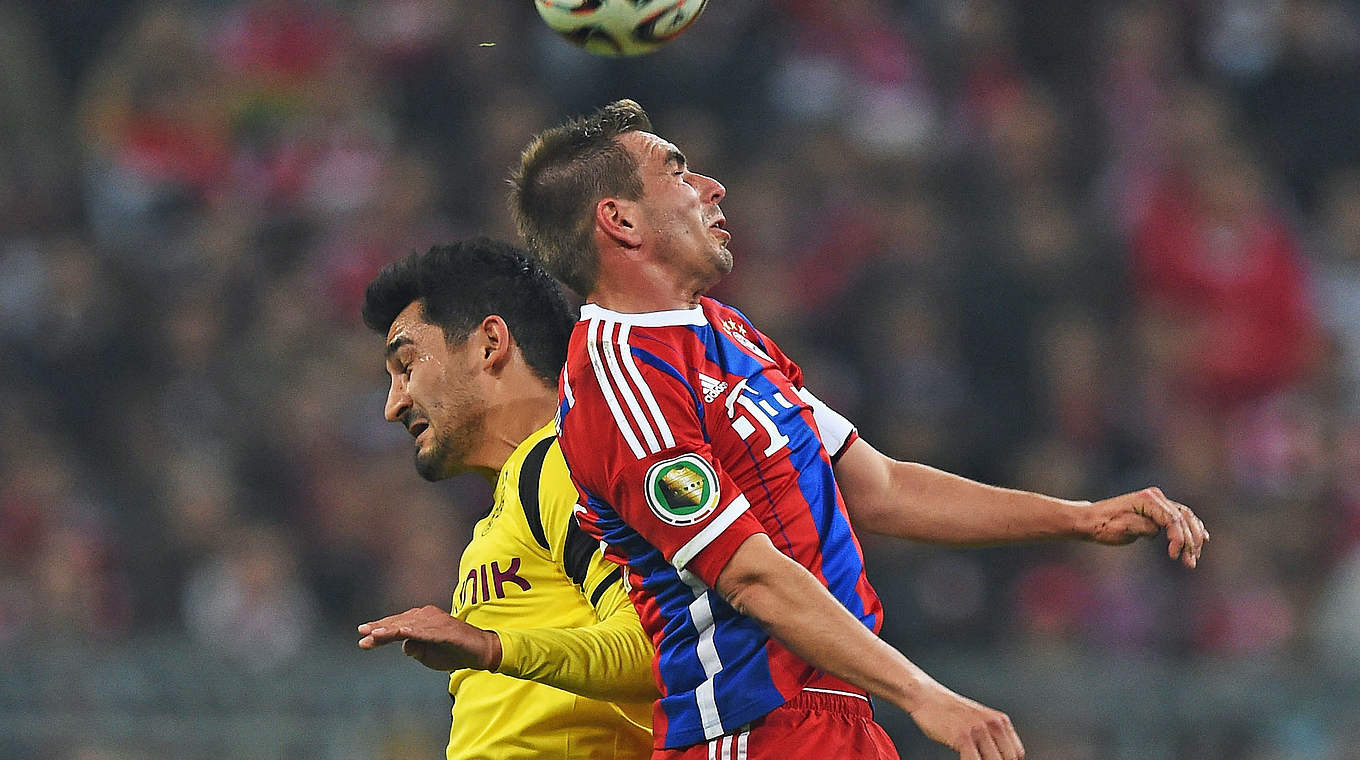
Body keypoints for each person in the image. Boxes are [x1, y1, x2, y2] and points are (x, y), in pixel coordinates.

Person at [508, 99, 1208, 760]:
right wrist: (921, 693)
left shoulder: (730, 335)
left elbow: (882, 487)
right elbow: (750, 577)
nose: (713, 187)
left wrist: (1081, 518)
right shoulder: (618, 379)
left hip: (840, 711)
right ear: (620, 222)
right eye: (678, 171)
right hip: (753, 728)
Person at [355, 238, 657, 760]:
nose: (393, 404)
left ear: (489, 344)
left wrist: (495, 648)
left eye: (407, 365)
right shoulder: (514, 499)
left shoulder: (563, 462)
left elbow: (659, 646)